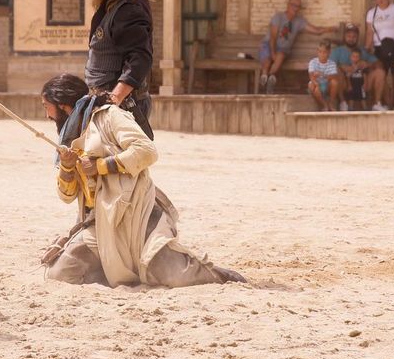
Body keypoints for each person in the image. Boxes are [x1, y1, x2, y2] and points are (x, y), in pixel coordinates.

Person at [40, 74, 244, 287]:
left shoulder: (109, 116)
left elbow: (146, 150)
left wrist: (101, 166)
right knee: (61, 274)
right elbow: (67, 196)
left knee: (174, 275)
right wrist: (67, 166)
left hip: (137, 213)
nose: (47, 115)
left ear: (62, 105)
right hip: (99, 223)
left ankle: (221, 275)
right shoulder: (70, 137)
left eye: (47, 107)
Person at [71, 0, 155, 138]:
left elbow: (139, 59)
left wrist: (115, 99)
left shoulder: (129, 11)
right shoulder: (113, 6)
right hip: (106, 104)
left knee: (117, 158)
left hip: (121, 106)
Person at [257, 0, 310, 94]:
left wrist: (329, 29)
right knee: (268, 60)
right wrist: (273, 53)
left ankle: (269, 79)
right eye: (293, 5)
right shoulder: (279, 17)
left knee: (280, 55)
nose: (295, 8)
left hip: (282, 49)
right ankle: (265, 76)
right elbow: (273, 37)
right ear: (288, 5)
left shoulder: (299, 21)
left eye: (298, 6)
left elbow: (315, 30)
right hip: (268, 44)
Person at [331, 23, 386, 111]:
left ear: (357, 37)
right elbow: (328, 67)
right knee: (335, 70)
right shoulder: (337, 51)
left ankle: (377, 104)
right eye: (349, 36)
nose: (351, 39)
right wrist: (342, 67)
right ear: (344, 36)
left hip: (362, 84)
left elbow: (379, 64)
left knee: (380, 72)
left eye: (354, 36)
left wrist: (367, 64)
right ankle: (343, 102)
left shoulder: (362, 51)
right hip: (346, 84)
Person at [365, 0, 394, 108]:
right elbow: (369, 32)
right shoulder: (371, 13)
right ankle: (384, 102)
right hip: (379, 48)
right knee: (382, 74)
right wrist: (366, 49)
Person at [307, 38, 341, 110]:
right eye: (320, 52)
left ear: (329, 52)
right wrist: (317, 84)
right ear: (317, 52)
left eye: (324, 52)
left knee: (335, 82)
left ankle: (331, 103)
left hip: (327, 85)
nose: (322, 54)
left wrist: (322, 74)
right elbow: (311, 76)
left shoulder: (332, 63)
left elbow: (334, 76)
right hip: (316, 84)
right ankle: (324, 105)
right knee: (311, 85)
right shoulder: (313, 62)